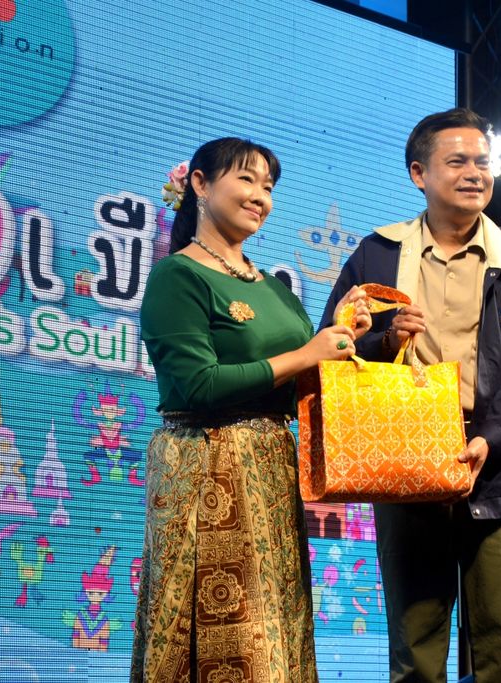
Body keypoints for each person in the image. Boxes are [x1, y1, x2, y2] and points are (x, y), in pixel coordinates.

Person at [320, 108, 501, 682]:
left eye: (482, 162)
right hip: (405, 462)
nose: (475, 173)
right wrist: (385, 339)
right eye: (457, 161)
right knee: (415, 648)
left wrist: (492, 437)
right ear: (419, 173)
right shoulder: (377, 254)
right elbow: (334, 347)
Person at [131, 137, 369, 682]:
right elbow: (197, 385)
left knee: (273, 628)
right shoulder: (178, 275)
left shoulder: (275, 289)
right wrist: (306, 354)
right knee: (220, 627)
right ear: (199, 184)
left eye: (268, 186)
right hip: (207, 466)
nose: (261, 196)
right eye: (246, 179)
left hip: (270, 470)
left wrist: (347, 335)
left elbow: (294, 387)